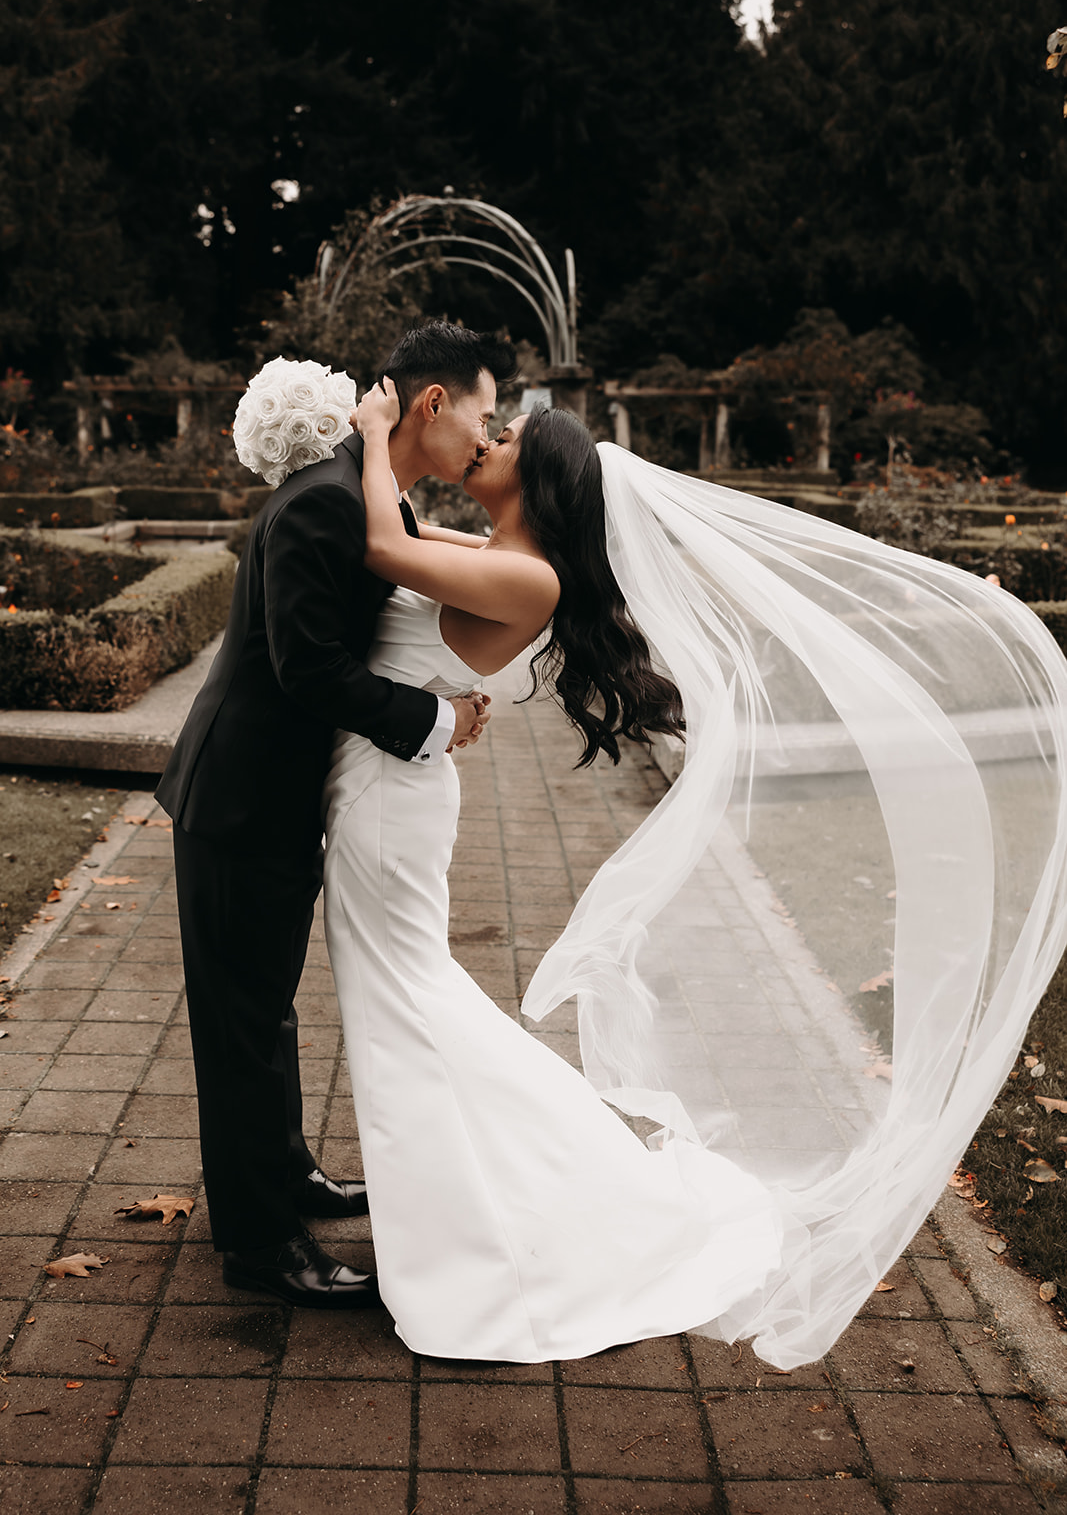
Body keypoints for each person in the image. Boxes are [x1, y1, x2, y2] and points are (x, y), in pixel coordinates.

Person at [323, 380, 1067, 1366]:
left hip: (392, 807)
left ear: (537, 483)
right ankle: (463, 1209)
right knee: (405, 1002)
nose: (486, 442)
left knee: (411, 1003)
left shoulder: (527, 577)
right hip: (394, 792)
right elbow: (406, 540)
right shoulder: (502, 556)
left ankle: (543, 1209)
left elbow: (380, 545)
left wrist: (374, 432)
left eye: (504, 438)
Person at [155, 323, 516, 1307]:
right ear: (432, 404)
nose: (485, 438)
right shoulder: (324, 500)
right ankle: (261, 1248)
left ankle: (283, 1175)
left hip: (274, 797)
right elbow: (305, 666)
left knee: (264, 1008)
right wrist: (435, 720)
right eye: (482, 415)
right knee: (240, 1024)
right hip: (237, 799)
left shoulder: (363, 492)